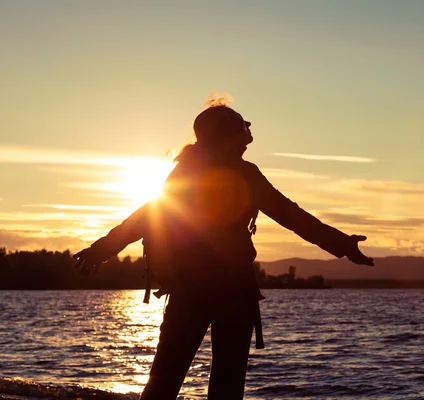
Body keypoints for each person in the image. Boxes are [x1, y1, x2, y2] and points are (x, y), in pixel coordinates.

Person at [73, 97, 374, 400]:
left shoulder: (188, 171)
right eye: (243, 126)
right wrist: (342, 244)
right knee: (222, 387)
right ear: (228, 136)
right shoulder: (242, 174)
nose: (249, 131)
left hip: (191, 290)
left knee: (164, 381)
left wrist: (101, 249)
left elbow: (145, 216)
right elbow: (291, 215)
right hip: (230, 292)